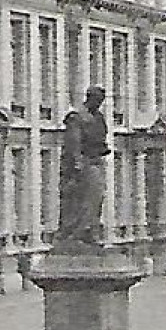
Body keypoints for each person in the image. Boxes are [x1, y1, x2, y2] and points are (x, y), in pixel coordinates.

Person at [55, 86, 110, 248]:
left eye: (101, 102)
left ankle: (90, 230)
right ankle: (77, 233)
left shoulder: (99, 117)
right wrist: (77, 163)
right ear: (89, 98)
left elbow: (101, 138)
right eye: (97, 100)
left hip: (96, 160)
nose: (99, 104)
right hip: (84, 163)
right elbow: (73, 142)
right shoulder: (77, 117)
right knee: (86, 197)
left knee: (97, 197)